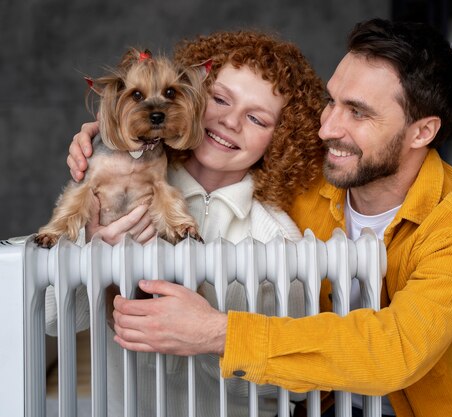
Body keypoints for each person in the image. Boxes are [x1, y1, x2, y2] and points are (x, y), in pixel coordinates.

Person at [70, 18, 452, 417]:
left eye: (357, 112)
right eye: (330, 102)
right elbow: (201, 126)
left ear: (422, 132)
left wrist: (216, 333)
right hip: (317, 403)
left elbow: (397, 352)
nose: (327, 128)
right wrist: (117, 141)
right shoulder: (318, 168)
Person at [58, 29, 326, 417]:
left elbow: (293, 390)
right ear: (188, 95)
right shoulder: (111, 186)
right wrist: (91, 256)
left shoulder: (278, 239)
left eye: (256, 118)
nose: (231, 122)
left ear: (281, 139)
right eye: (219, 99)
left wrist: (210, 337)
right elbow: (49, 321)